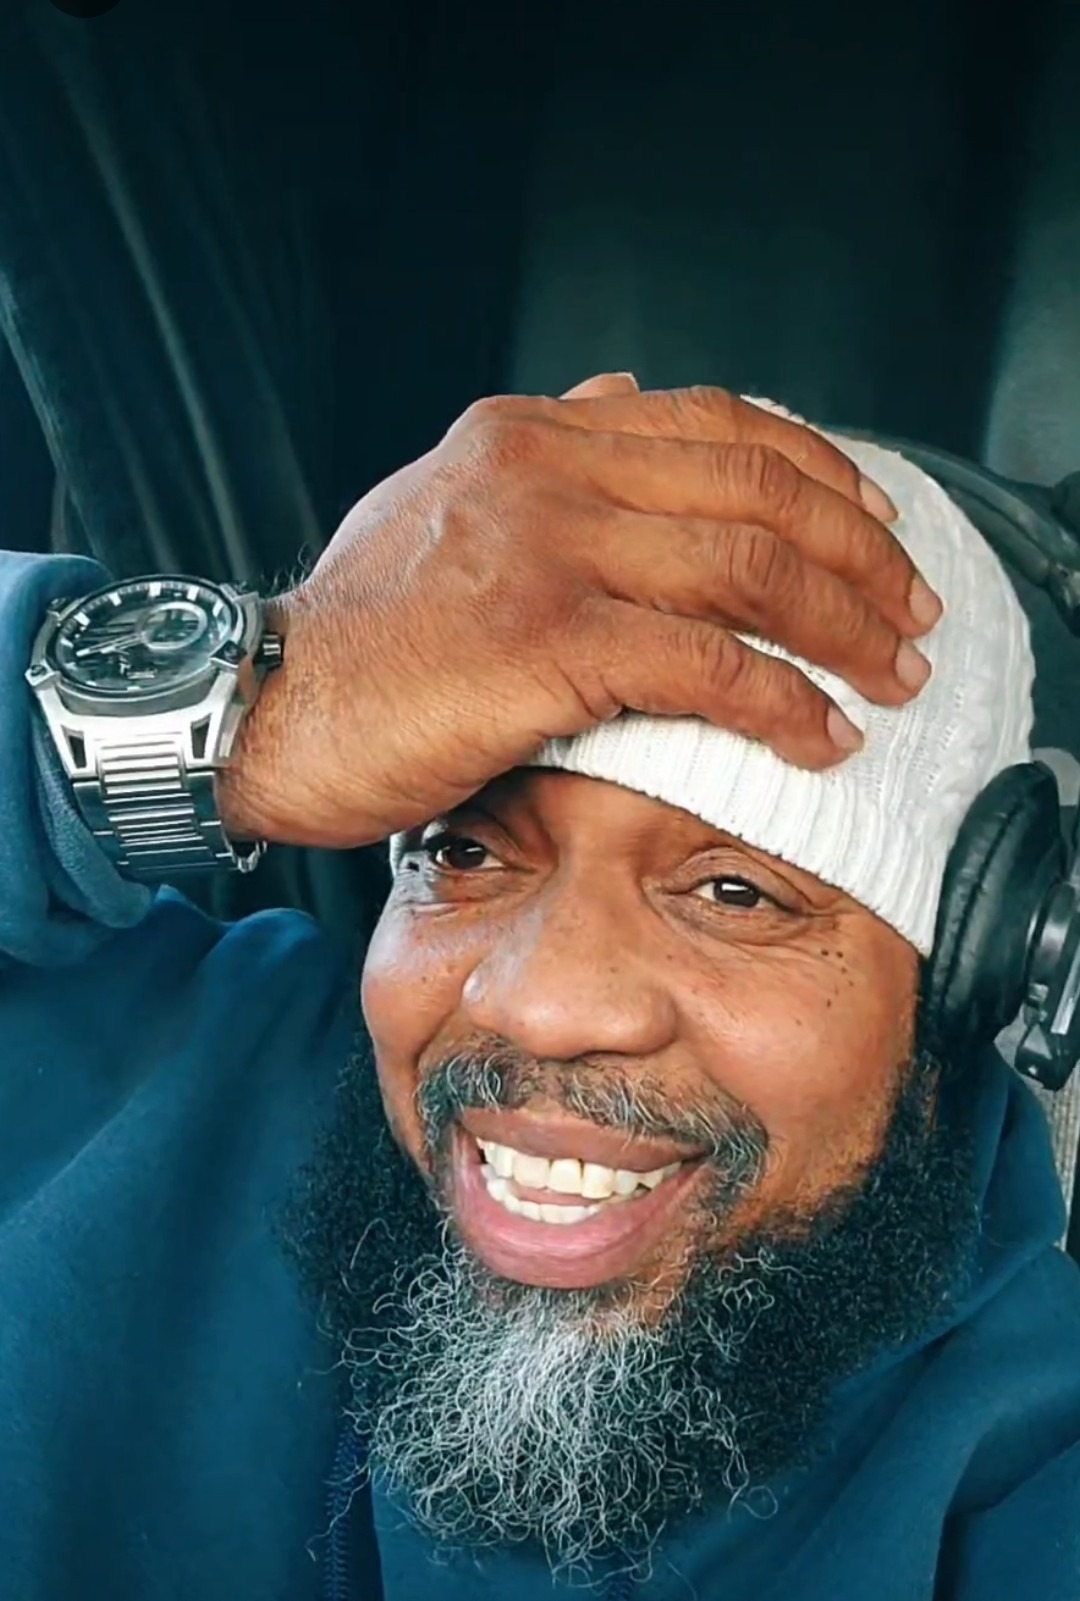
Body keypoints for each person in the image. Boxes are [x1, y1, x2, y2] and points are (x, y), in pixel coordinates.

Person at [1, 378, 1076, 1601]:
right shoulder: (147, 1073)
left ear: (976, 976)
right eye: (464, 850)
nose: (543, 1005)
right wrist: (244, 708)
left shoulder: (1037, 1491)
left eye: (735, 891)